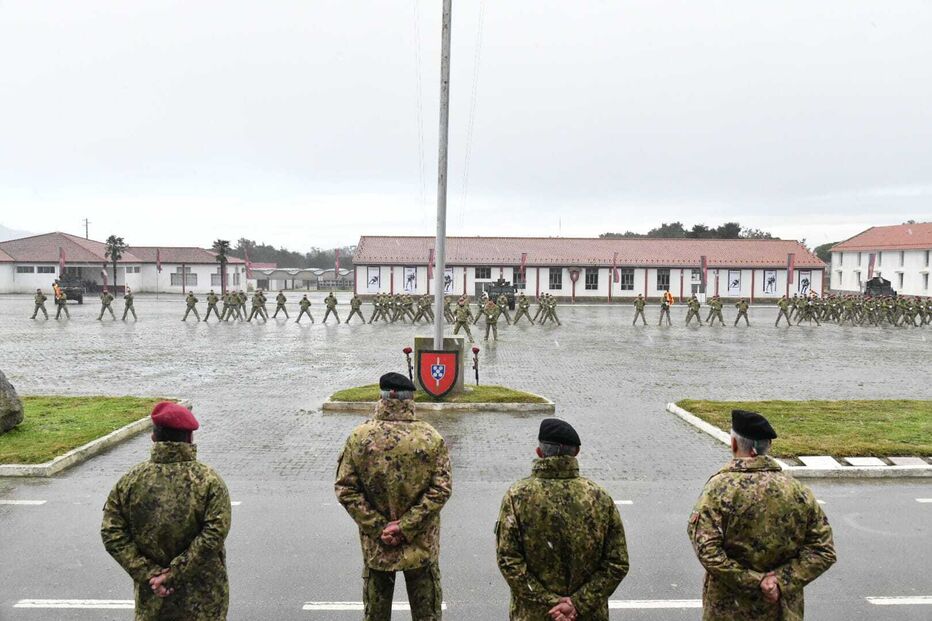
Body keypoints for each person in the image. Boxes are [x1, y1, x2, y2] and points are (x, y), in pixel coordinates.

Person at [688, 410, 836, 620]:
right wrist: (779, 581)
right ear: (768, 447)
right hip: (781, 609)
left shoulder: (719, 489)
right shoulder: (797, 491)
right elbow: (823, 550)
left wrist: (754, 581)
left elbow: (708, 550)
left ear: (734, 444)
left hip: (729, 610)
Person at [335, 373, 452, 621]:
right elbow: (441, 489)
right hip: (421, 546)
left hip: (378, 546)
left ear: (382, 398)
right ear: (411, 400)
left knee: (376, 616)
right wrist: (406, 526)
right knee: (427, 616)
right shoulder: (431, 437)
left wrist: (380, 527)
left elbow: (345, 488)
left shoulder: (359, 437)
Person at [101, 402, 232, 621]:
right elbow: (214, 535)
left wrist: (150, 573)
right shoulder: (210, 482)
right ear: (189, 439)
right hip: (204, 600)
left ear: (154, 437)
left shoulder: (130, 482)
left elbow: (111, 533)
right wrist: (174, 574)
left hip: (153, 600)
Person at [496, 419, 629, 621]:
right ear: (576, 453)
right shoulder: (600, 498)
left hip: (533, 615)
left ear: (539, 453)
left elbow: (508, 560)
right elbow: (617, 563)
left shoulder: (517, 497)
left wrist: (549, 602)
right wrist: (577, 603)